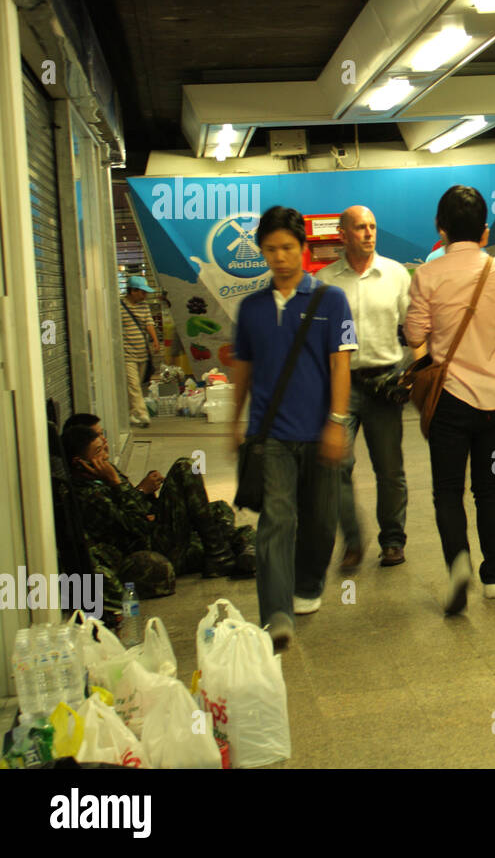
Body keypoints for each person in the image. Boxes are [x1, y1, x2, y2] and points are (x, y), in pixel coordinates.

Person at [230, 206, 356, 652]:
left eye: (287, 247)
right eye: (270, 249)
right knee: (277, 520)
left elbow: (340, 365)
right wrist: (235, 421)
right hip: (273, 438)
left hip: (321, 432)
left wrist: (338, 422)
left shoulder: (331, 300)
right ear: (261, 251)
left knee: (321, 524)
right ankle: (276, 613)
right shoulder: (251, 309)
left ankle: (307, 583)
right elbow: (243, 368)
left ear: (304, 249)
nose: (279, 257)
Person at [405, 185, 495, 615]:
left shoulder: (426, 276)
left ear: (440, 228)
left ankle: (458, 565)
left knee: (448, 491)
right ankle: (494, 577)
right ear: (485, 229)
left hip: (450, 404)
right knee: (491, 487)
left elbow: (415, 336)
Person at [63, 425, 257, 620]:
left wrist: (142, 494)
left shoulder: (104, 474)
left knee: (218, 511)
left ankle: (234, 549)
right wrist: (119, 485)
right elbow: (136, 526)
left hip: (154, 534)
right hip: (150, 546)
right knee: (185, 468)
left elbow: (138, 509)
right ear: (80, 463)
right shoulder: (88, 496)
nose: (105, 454)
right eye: (98, 451)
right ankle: (221, 554)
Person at [317, 205, 414, 571]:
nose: (369, 233)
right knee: (336, 467)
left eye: (372, 226)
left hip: (385, 383)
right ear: (342, 235)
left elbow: (412, 328)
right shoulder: (325, 282)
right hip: (341, 385)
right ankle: (353, 541)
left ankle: (392, 541)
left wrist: (418, 375)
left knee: (390, 470)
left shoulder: (395, 274)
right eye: (360, 227)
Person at [120, 275, 160, 428]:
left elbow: (149, 323)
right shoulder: (120, 305)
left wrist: (155, 341)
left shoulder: (144, 306)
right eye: (142, 292)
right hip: (127, 353)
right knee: (134, 385)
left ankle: (130, 413)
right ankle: (143, 414)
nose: (145, 295)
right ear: (133, 291)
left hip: (142, 353)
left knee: (136, 385)